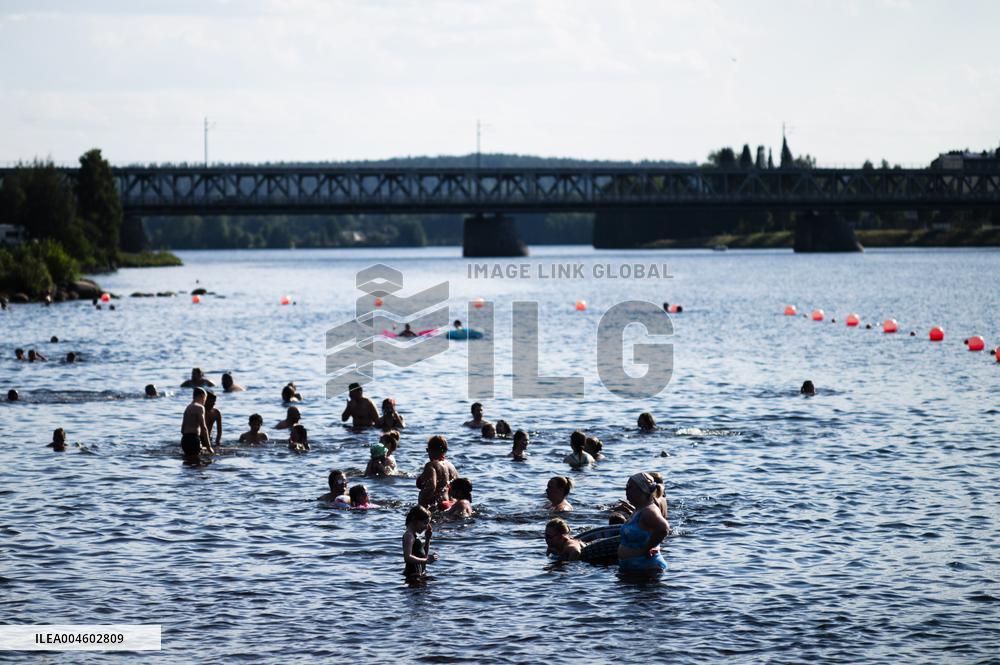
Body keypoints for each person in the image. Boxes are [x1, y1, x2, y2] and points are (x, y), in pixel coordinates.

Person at [618, 472, 669, 573]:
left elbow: (664, 528)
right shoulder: (639, 509)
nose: (626, 490)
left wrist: (646, 549)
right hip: (634, 568)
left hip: (647, 569)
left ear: (642, 489)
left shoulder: (649, 511)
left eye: (630, 487)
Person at [417, 435, 459, 511]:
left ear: (431, 450)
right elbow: (458, 490)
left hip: (439, 506)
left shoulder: (431, 465)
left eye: (427, 450)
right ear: (445, 450)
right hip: (452, 505)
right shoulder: (452, 467)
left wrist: (420, 506)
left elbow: (431, 487)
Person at [402, 505, 438, 578]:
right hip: (412, 577)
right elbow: (407, 558)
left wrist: (427, 539)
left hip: (418, 576)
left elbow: (423, 556)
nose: (427, 526)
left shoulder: (414, 536)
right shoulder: (409, 535)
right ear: (414, 520)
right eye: (425, 523)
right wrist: (426, 560)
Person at [180, 388, 213, 460]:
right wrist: (209, 447)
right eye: (205, 399)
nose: (205, 402)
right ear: (202, 396)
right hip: (193, 439)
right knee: (197, 465)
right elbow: (204, 427)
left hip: (184, 440)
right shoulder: (200, 407)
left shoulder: (188, 407)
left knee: (187, 462)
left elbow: (182, 430)